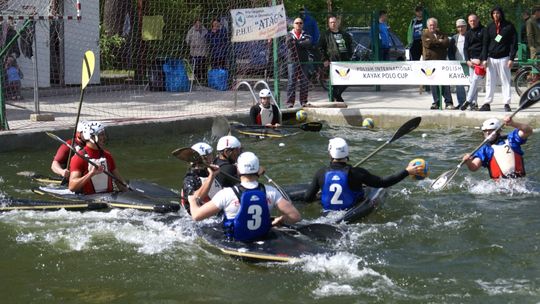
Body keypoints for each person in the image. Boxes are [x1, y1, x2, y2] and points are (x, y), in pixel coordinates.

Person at [188, 152, 301, 242]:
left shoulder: (226, 194)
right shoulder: (271, 191)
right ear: (257, 170)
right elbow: (295, 217)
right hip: (263, 236)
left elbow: (197, 216)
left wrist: (192, 200)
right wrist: (280, 220)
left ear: (238, 170)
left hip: (236, 240)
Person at [304, 137, 423, 211]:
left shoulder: (320, 173)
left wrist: (322, 194)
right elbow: (384, 183)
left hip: (327, 215)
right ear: (347, 153)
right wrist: (407, 171)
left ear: (330, 154)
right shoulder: (358, 173)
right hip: (351, 212)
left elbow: (308, 198)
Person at [462, 117, 533, 179]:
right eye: (485, 131)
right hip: (499, 187)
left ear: (499, 131)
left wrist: (513, 123)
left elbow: (528, 131)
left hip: (520, 183)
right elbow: (474, 167)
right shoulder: (484, 149)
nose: (487, 133)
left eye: (491, 130)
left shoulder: (511, 139)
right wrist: (468, 161)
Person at [68, 121, 127, 194]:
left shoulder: (107, 155)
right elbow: (72, 187)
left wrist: (130, 192)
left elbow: (120, 182)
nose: (104, 137)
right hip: (89, 200)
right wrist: (91, 174)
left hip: (108, 198)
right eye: (101, 135)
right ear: (92, 137)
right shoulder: (78, 158)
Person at [479, 6, 517, 112]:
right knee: (490, 81)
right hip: (491, 59)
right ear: (492, 15)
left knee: (505, 81)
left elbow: (514, 43)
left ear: (501, 14)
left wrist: (511, 58)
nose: (496, 15)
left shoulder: (509, 26)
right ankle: (487, 103)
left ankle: (506, 103)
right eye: (494, 13)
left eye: (498, 13)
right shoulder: (489, 27)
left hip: (504, 58)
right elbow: (485, 44)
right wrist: (484, 58)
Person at [422, 17, 455, 110]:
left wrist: (436, 43)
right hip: (430, 63)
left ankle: (448, 102)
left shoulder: (442, 34)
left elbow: (446, 43)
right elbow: (428, 44)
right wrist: (439, 42)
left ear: (436, 25)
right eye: (430, 25)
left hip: (442, 62)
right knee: (434, 84)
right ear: (428, 26)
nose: (432, 26)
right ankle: (436, 102)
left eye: (434, 25)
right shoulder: (425, 35)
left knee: (445, 82)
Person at [319, 15, 354, 102]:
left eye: (334, 22)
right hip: (332, 61)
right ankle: (334, 99)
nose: (333, 24)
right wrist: (324, 59)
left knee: (348, 79)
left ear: (337, 23)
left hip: (344, 61)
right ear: (328, 23)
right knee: (334, 82)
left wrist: (349, 55)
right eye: (331, 22)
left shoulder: (344, 34)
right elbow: (320, 48)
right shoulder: (325, 35)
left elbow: (350, 45)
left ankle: (336, 95)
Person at [181, 142, 221, 214]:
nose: (212, 159)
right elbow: (195, 199)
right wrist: (211, 176)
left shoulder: (208, 172)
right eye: (210, 156)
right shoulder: (190, 178)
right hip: (197, 220)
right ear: (202, 159)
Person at [460, 13, 487, 111]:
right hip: (471, 61)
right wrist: (467, 60)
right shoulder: (468, 33)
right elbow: (465, 48)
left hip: (481, 60)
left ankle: (468, 100)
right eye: (471, 21)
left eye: (474, 20)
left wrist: (480, 59)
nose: (473, 22)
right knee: (472, 82)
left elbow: (485, 46)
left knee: (475, 81)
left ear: (478, 20)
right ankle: (473, 103)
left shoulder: (484, 30)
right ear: (468, 22)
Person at [285, 18, 312, 108]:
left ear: (302, 24)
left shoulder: (306, 34)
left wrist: (296, 43)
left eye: (300, 23)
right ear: (293, 24)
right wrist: (301, 43)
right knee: (292, 81)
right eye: (297, 23)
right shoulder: (289, 34)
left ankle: (303, 101)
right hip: (292, 61)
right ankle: (290, 102)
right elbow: (289, 44)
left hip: (304, 61)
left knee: (304, 82)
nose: (298, 24)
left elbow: (308, 43)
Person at [448, 19, 468, 109]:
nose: (460, 28)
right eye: (458, 27)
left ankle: (472, 102)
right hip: (458, 64)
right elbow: (450, 52)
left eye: (462, 26)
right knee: (459, 85)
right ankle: (461, 102)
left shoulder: (470, 35)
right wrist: (453, 61)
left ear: (466, 26)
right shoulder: (454, 38)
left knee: (471, 84)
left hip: (469, 63)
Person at [185, 19, 208, 84]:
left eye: (199, 23)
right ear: (194, 24)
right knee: (195, 66)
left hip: (202, 52)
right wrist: (191, 43)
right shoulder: (191, 31)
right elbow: (187, 40)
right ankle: (195, 80)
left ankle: (203, 79)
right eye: (196, 23)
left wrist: (200, 32)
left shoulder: (204, 30)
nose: (198, 25)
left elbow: (207, 39)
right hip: (194, 52)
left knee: (202, 66)